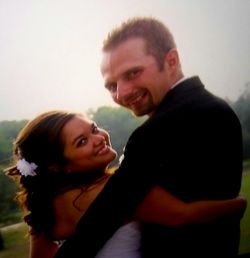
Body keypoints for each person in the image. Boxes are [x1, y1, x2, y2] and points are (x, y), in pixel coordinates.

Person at [54, 17, 246, 258]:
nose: (122, 93)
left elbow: (99, 223)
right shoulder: (216, 107)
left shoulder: (157, 131)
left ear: (172, 61)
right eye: (111, 85)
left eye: (133, 73)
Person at [5, 110, 246, 258]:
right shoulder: (112, 189)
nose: (99, 139)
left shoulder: (45, 208)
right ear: (59, 166)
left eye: (94, 128)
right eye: (82, 142)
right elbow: (183, 214)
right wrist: (238, 204)